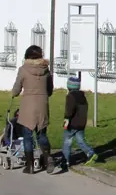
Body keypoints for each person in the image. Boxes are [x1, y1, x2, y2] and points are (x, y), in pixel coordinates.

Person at [11, 44, 54, 174]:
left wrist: (14, 93)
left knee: (28, 136)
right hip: (42, 105)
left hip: (28, 106)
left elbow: (17, 88)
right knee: (42, 134)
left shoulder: (23, 69)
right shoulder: (46, 70)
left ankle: (29, 166)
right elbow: (50, 90)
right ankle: (48, 157)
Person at [59, 75, 98, 171]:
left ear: (69, 87)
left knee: (67, 141)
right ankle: (90, 153)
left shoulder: (70, 96)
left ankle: (66, 161)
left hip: (72, 123)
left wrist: (66, 120)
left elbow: (69, 111)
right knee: (80, 140)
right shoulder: (82, 96)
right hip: (81, 123)